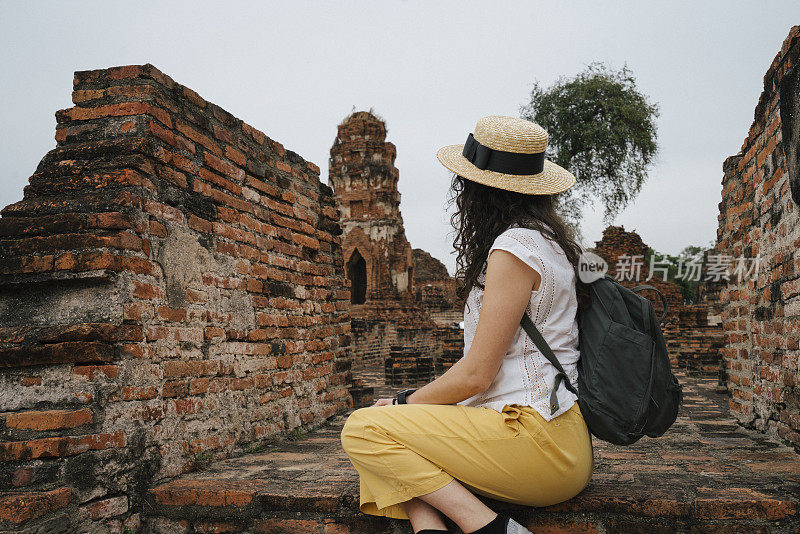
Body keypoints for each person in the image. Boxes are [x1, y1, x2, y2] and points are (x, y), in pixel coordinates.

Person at [340, 116, 595, 534]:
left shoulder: (513, 249)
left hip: (535, 440)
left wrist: (404, 402)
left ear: (479, 190)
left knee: (365, 429)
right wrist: (409, 406)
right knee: (399, 447)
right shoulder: (547, 240)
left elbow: (478, 375)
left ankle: (492, 528)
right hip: (559, 436)